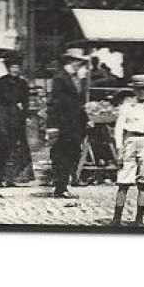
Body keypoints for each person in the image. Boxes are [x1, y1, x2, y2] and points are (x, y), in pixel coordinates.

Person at [110, 74, 144, 227]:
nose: (142, 92)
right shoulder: (127, 107)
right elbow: (119, 128)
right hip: (130, 142)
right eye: (139, 89)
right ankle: (116, 218)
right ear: (134, 90)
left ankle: (139, 220)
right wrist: (119, 148)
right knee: (123, 181)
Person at [0, 57, 34, 187]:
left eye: (17, 67)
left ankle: (12, 177)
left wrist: (25, 114)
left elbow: (25, 101)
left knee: (17, 146)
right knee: (1, 145)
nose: (15, 70)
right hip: (2, 115)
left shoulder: (22, 83)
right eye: (12, 67)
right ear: (8, 68)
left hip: (16, 116)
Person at [48, 48, 90, 197]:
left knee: (72, 154)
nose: (81, 65)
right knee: (63, 155)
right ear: (71, 61)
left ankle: (64, 185)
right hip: (64, 124)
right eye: (79, 62)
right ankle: (61, 187)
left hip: (74, 124)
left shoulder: (75, 78)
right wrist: (53, 126)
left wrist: (85, 118)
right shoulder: (60, 78)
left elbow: (79, 101)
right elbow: (55, 103)